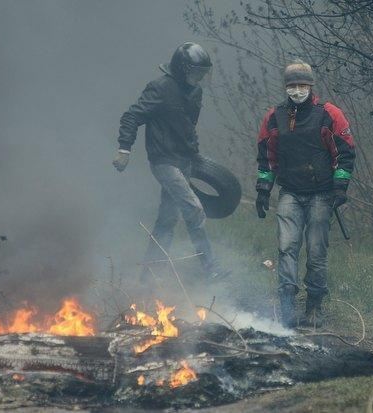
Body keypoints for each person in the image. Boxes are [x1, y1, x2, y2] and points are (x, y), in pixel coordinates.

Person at [113, 42, 230, 281]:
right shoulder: (160, 88)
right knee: (193, 208)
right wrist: (124, 149)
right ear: (181, 68)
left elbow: (188, 127)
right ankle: (211, 268)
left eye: (202, 74)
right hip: (163, 161)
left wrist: (194, 154)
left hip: (184, 160)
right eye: (195, 72)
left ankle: (148, 276)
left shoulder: (195, 91)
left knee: (167, 220)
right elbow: (131, 116)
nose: (199, 78)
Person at [255, 60, 356, 328]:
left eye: (301, 85)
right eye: (292, 86)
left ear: (311, 86)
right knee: (287, 248)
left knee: (316, 251)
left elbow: (345, 152)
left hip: (322, 194)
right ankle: (287, 306)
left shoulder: (329, 114)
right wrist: (263, 189)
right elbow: (266, 156)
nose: (297, 90)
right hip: (289, 192)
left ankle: (314, 306)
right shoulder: (274, 117)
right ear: (285, 87)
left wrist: (340, 186)